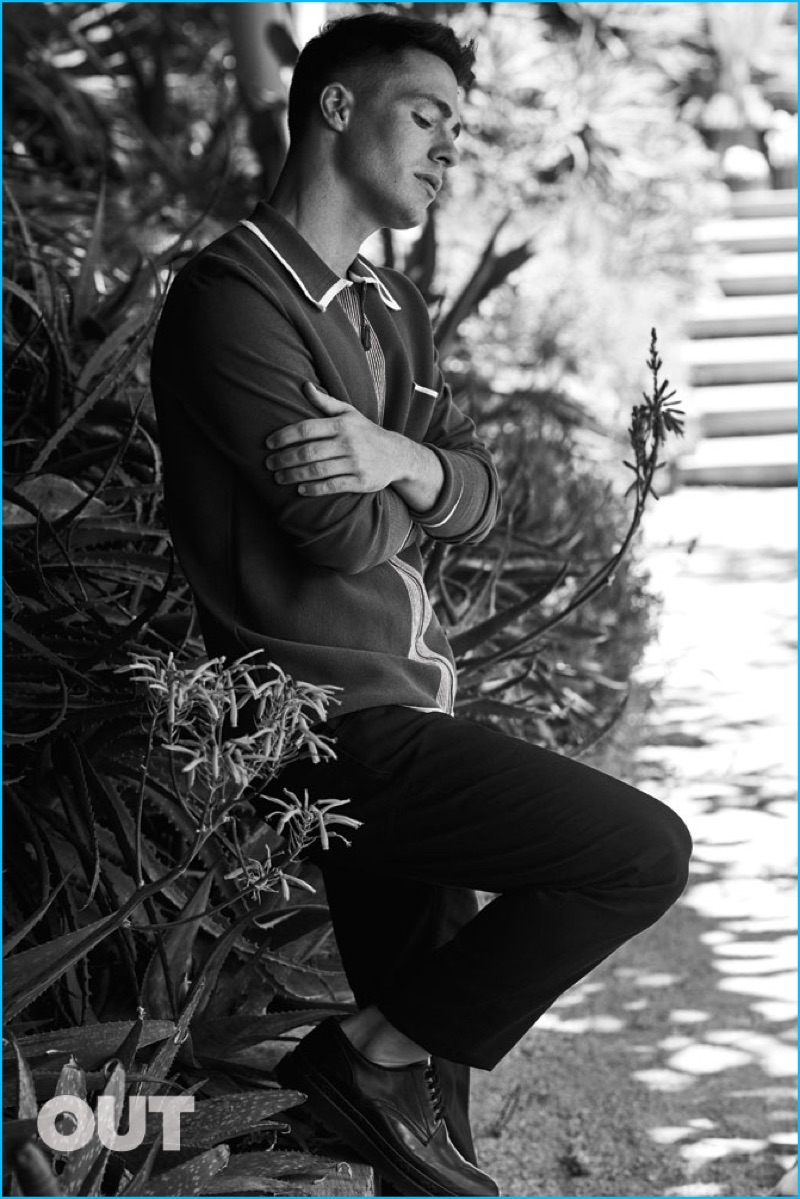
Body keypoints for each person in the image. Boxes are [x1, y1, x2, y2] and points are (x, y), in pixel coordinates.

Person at [151, 13, 693, 1197]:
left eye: (458, 125)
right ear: (336, 107)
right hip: (316, 727)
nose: (449, 147)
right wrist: (421, 488)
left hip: (405, 709)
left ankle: (368, 1074)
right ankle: (351, 1058)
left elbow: (479, 495)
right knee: (637, 851)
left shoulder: (387, 308)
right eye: (425, 115)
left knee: (425, 1111)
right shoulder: (233, 297)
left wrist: (400, 460)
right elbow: (335, 530)